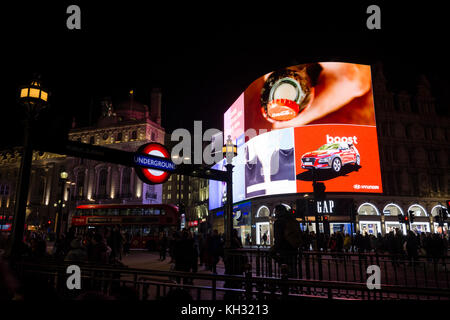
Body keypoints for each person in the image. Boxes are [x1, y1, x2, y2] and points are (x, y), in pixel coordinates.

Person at [271, 204, 302, 277]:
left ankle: (285, 285)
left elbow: (278, 238)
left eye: (276, 211)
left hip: (284, 249)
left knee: (284, 270)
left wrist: (275, 249)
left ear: (278, 211)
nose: (275, 213)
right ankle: (293, 284)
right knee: (292, 269)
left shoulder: (279, 222)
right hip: (294, 248)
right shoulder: (293, 220)